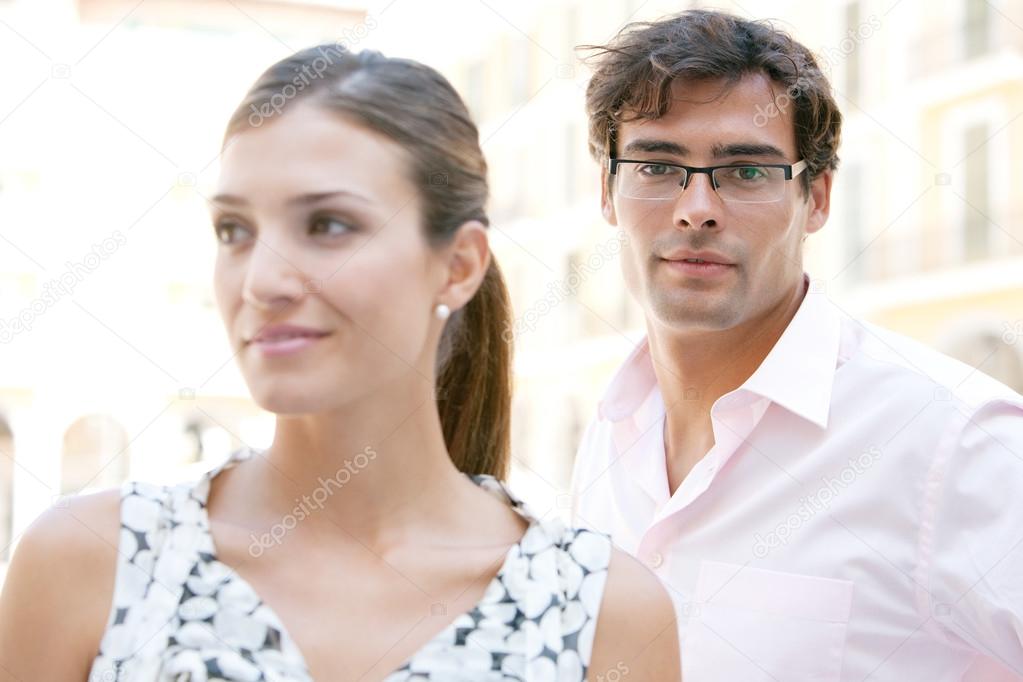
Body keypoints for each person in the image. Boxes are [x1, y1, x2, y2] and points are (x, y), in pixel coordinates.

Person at [0, 46, 680, 681]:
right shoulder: (91, 561)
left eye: (326, 225)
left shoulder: (599, 611)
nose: (261, 280)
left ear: (458, 265)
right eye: (234, 231)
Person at [569, 8, 1023, 681]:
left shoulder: (958, 443)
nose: (696, 207)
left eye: (746, 172)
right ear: (608, 191)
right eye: (657, 167)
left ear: (815, 198)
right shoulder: (608, 434)